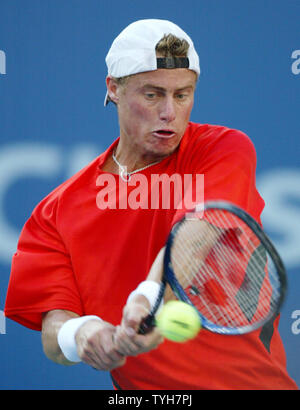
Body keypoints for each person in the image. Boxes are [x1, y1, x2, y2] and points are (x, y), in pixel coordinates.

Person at [4, 19, 298, 390]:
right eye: (152, 94)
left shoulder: (224, 149)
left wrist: (148, 297)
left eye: (182, 94)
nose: (169, 113)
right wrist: (86, 334)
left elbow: (195, 234)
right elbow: (54, 331)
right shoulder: (55, 213)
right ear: (113, 89)